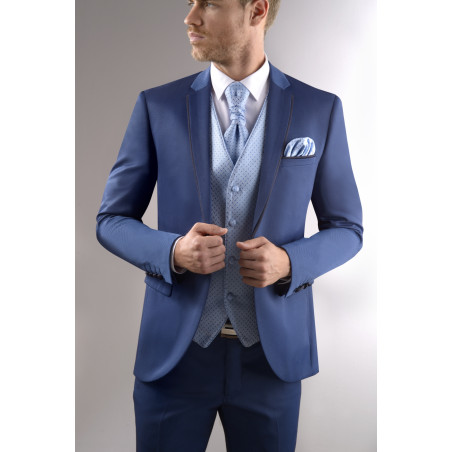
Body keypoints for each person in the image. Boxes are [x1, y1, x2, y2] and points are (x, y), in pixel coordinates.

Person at [96, 0, 363, 450]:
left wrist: (289, 262)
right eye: (190, 3)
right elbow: (111, 219)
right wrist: (173, 252)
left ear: (256, 10)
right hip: (176, 356)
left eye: (209, 4)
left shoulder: (319, 109)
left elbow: (347, 228)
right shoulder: (158, 106)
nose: (190, 17)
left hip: (271, 359)